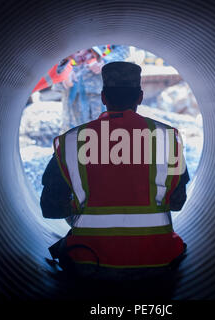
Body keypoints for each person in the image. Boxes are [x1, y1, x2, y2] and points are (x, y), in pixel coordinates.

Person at [41, 62, 189, 281]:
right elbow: (177, 203)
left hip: (88, 263)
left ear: (103, 97)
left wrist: (82, 208)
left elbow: (51, 208)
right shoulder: (167, 138)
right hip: (157, 263)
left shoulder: (72, 141)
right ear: (139, 97)